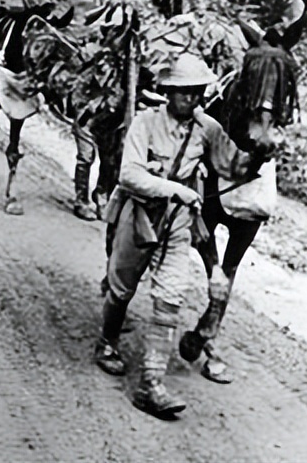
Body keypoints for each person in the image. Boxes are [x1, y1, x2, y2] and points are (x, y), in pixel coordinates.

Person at [93, 52, 256, 418]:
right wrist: (174, 188)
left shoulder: (208, 128)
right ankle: (107, 341)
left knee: (171, 296)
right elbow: (129, 175)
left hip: (179, 223)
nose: (191, 99)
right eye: (183, 92)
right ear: (168, 92)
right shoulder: (145, 123)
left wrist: (258, 153)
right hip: (139, 214)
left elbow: (230, 166)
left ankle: (151, 383)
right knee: (121, 288)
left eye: (197, 92)